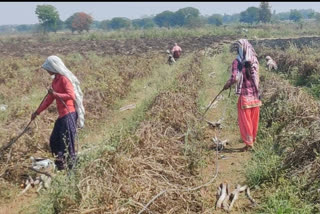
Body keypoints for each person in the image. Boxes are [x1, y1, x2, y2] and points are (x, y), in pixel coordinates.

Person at [31, 55, 85, 170]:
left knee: (68, 143)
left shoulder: (64, 79)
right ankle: (61, 166)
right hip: (62, 116)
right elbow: (49, 99)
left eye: (48, 69)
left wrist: (56, 94)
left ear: (53, 67)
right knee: (54, 141)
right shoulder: (55, 81)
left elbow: (71, 95)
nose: (47, 71)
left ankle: (72, 169)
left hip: (69, 114)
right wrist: (37, 112)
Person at [223, 39, 261, 151]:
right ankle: (252, 140)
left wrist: (227, 85)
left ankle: (249, 143)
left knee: (245, 121)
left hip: (244, 96)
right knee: (254, 120)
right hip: (255, 96)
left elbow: (235, 78)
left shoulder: (237, 62)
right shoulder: (254, 60)